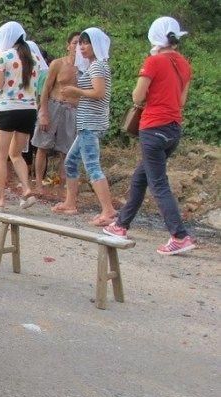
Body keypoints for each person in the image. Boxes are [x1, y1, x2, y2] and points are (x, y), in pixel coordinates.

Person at [105, 17, 196, 255]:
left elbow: (137, 97)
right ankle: (121, 225)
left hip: (153, 127)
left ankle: (180, 236)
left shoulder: (153, 61)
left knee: (158, 184)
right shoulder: (185, 64)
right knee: (140, 177)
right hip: (173, 129)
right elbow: (181, 101)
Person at [51, 28, 115, 225]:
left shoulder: (97, 66)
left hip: (91, 124)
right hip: (86, 122)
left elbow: (99, 93)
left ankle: (108, 210)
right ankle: (70, 202)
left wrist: (75, 91)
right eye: (81, 43)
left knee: (92, 166)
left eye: (86, 43)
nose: (82, 47)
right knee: (71, 162)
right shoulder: (94, 66)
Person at [0, 21, 42, 210]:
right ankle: (26, 189)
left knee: (1, 156)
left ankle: (0, 199)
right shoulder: (34, 57)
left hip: (8, 108)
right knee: (16, 154)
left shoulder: (4, 56)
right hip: (29, 110)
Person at [31, 32, 80, 190]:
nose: (78, 46)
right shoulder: (58, 64)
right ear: (68, 45)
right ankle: (39, 184)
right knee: (42, 146)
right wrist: (43, 112)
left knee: (66, 150)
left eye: (81, 43)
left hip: (72, 110)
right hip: (53, 105)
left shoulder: (86, 68)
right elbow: (46, 89)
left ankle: (62, 187)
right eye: (75, 42)